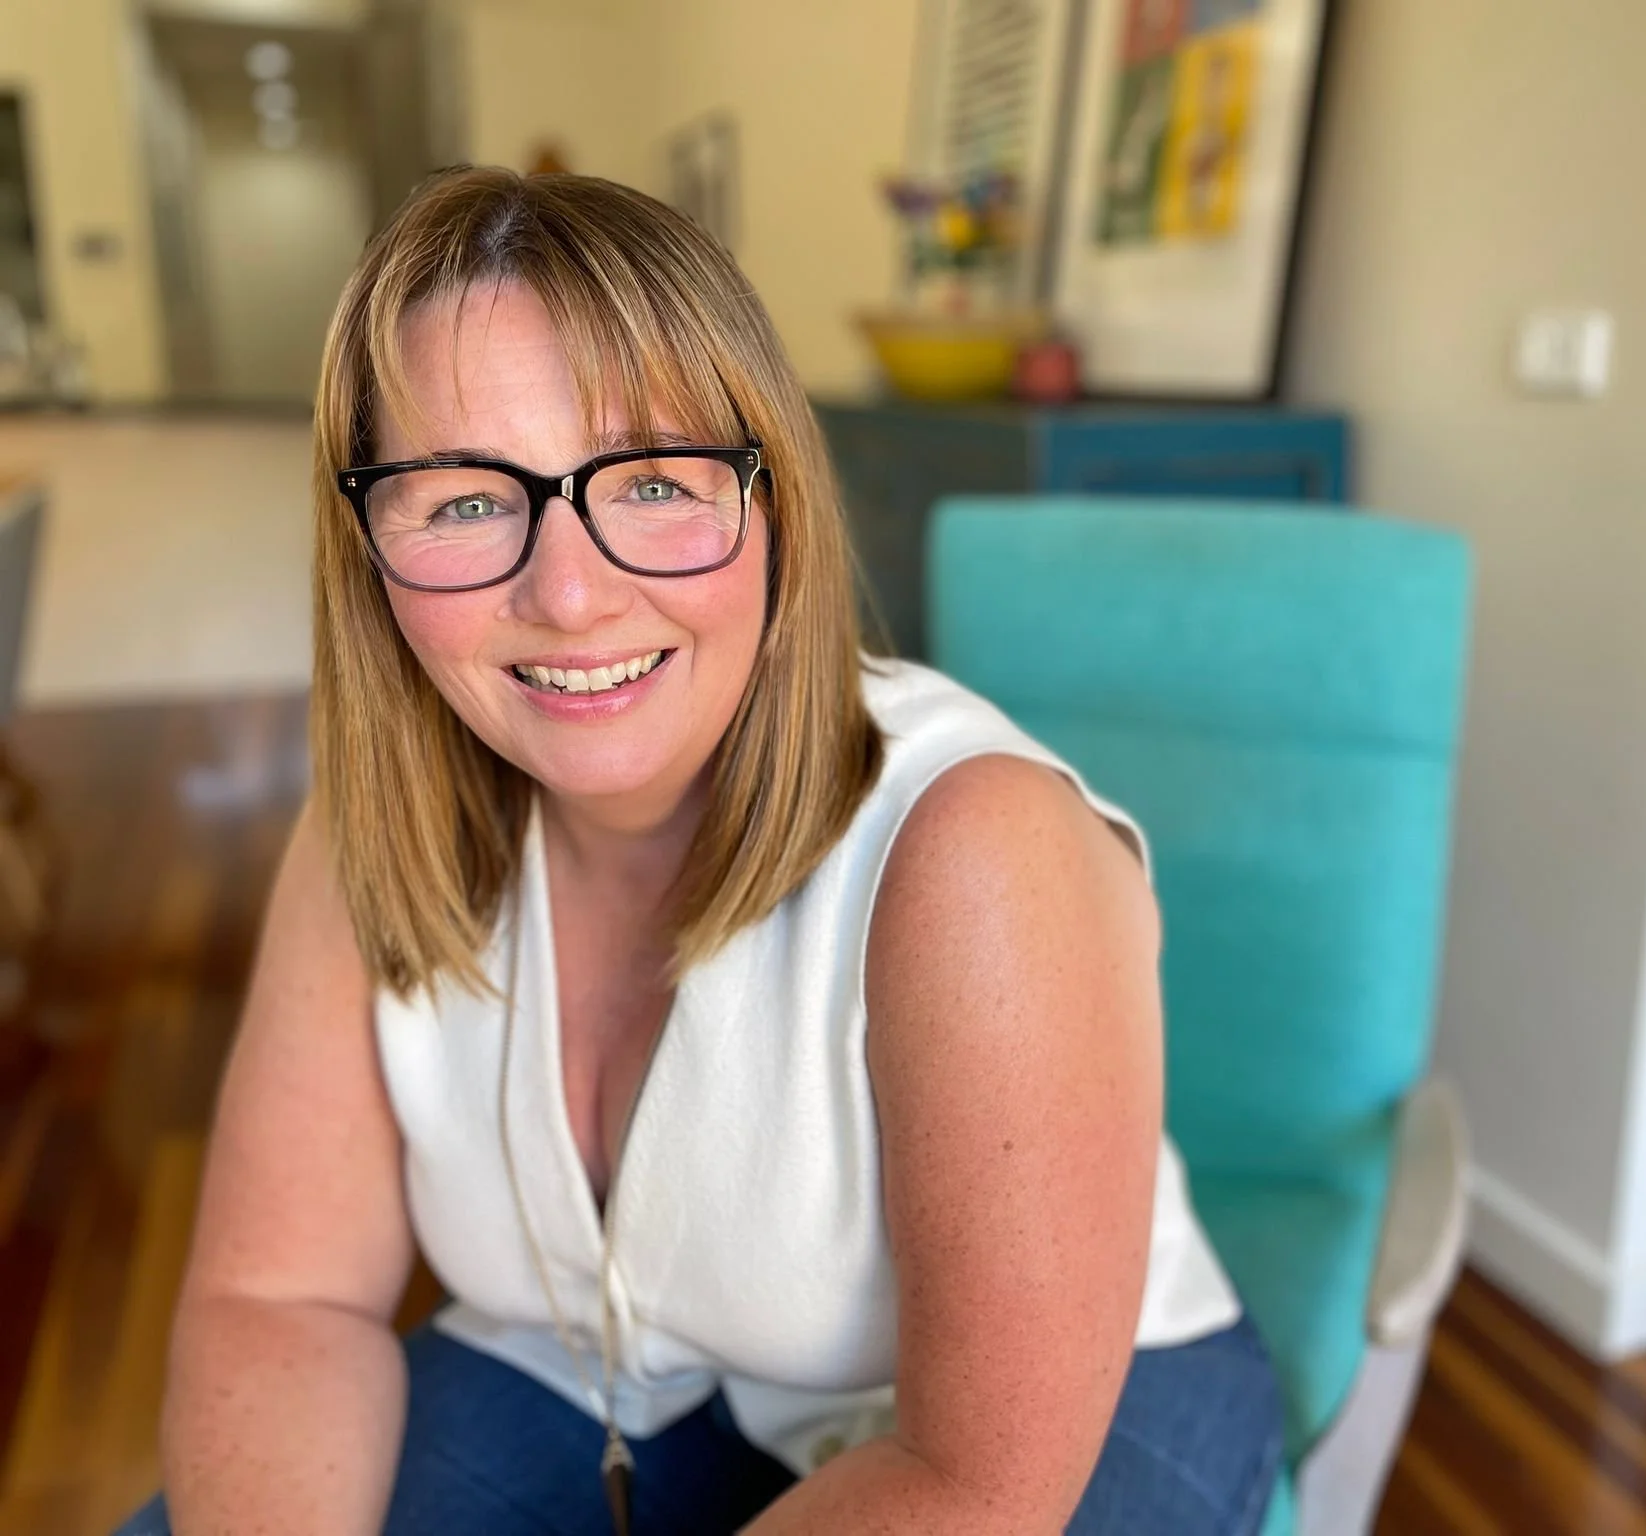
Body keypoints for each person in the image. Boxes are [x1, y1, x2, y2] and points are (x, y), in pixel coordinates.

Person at [117, 166, 1282, 1536]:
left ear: (773, 505)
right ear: (369, 544)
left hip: (1043, 1428)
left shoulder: (977, 853)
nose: (568, 592)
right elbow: (279, 1299)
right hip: (643, 1375)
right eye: (467, 502)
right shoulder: (375, 835)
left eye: (655, 479)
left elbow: (972, 1480)